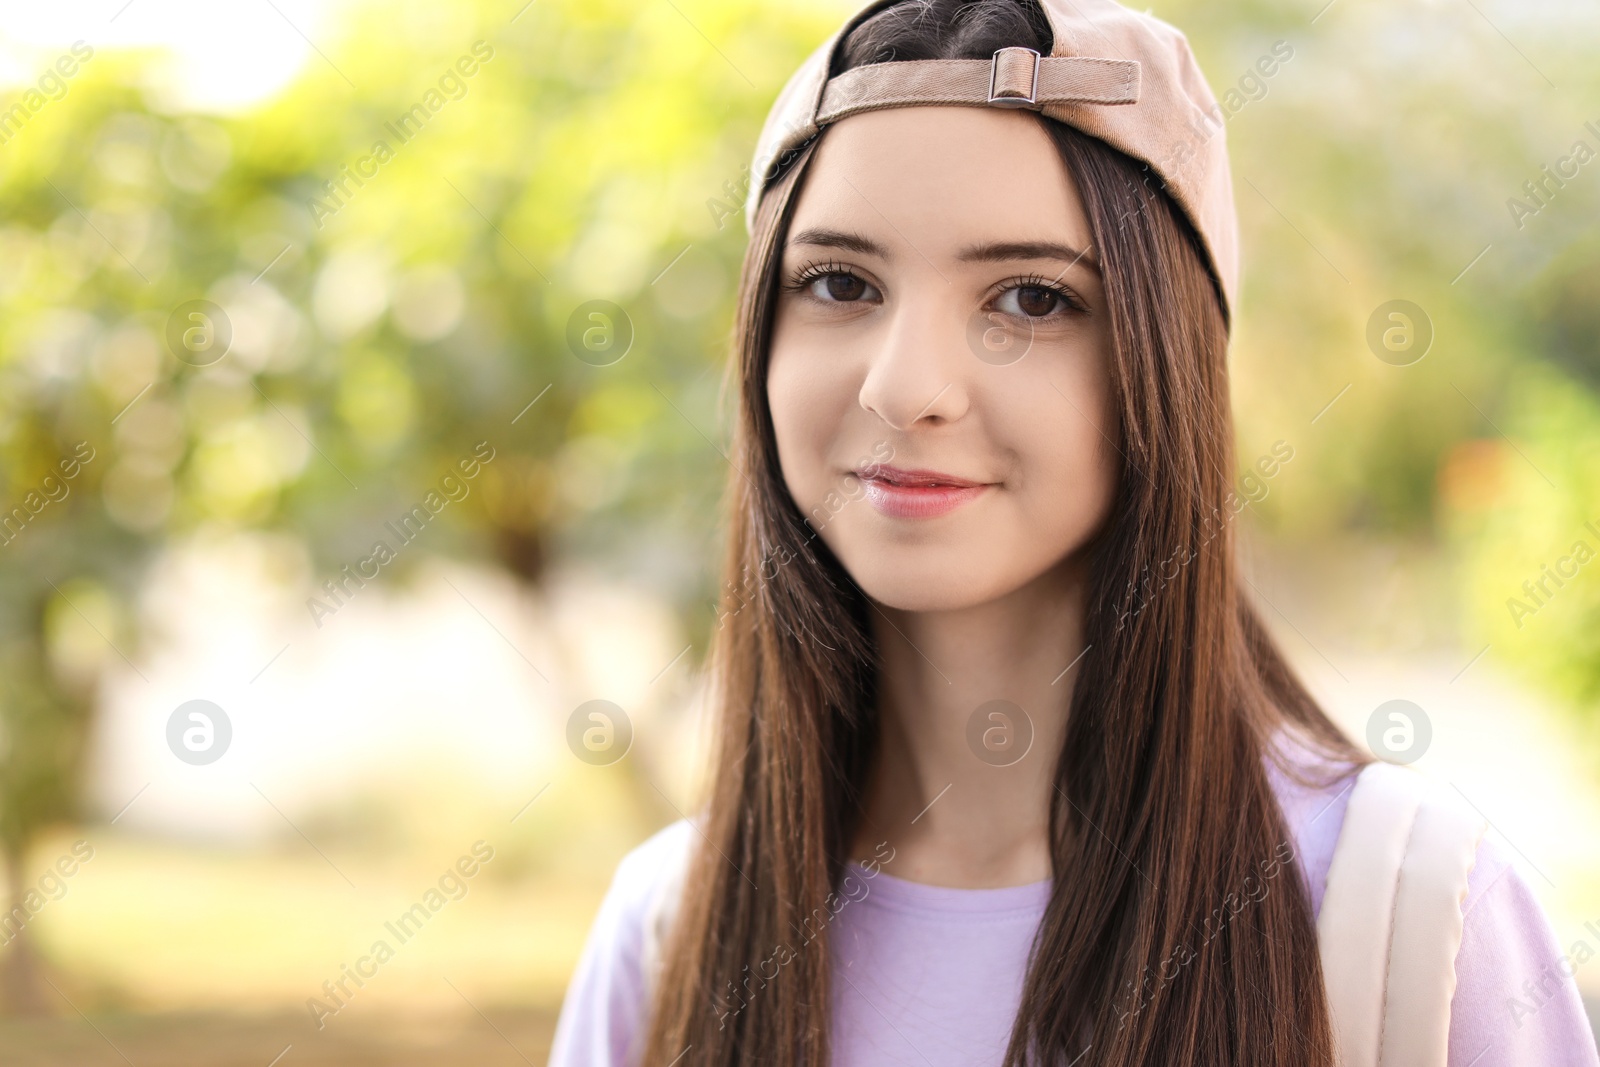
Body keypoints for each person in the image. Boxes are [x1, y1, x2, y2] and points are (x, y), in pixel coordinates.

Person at [546, 0, 1600, 1063]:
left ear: (1168, 359)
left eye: (1032, 299)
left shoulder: (1410, 910)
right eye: (837, 282)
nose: (906, 385)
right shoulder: (666, 935)